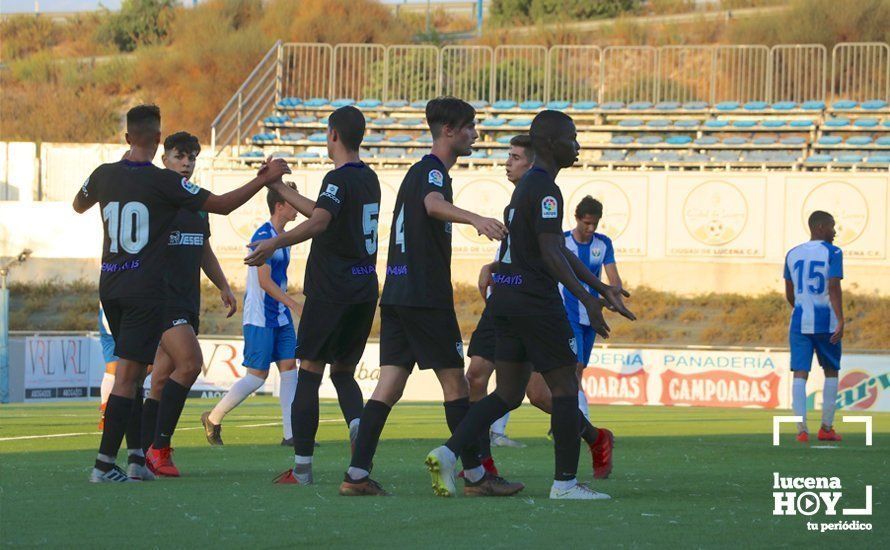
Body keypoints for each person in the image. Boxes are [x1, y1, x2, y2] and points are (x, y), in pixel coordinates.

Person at [74, 104, 291, 483]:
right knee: (130, 378)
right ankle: (105, 465)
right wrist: (264, 179)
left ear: (126, 138)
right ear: (158, 141)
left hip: (111, 286)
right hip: (146, 290)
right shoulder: (163, 183)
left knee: (139, 373)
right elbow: (223, 205)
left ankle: (139, 458)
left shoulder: (103, 174)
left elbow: (79, 204)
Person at [424, 110, 634, 500]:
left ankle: (449, 452)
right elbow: (552, 252)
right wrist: (588, 299)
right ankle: (565, 483)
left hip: (506, 302)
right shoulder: (546, 190)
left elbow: (554, 248)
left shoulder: (526, 189)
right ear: (553, 144)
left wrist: (599, 288)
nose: (577, 144)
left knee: (507, 393)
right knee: (565, 387)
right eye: (572, 136)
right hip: (535, 303)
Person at [339, 97, 516, 497]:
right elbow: (432, 205)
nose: (475, 134)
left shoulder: (421, 171)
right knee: (457, 384)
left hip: (399, 292)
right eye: (470, 126)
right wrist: (475, 219)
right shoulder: (433, 173)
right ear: (449, 131)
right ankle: (476, 476)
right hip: (424, 295)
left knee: (388, 386)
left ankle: (356, 474)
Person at [244, 106, 381, 485]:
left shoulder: (335, 178)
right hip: (364, 288)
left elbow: (320, 220)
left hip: (331, 289)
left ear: (333, 135)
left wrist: (276, 241)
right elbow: (324, 210)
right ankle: (357, 427)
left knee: (309, 373)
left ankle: (302, 469)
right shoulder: (369, 178)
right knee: (344, 373)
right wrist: (278, 187)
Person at [139, 132, 238, 477]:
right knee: (191, 362)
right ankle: (160, 449)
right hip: (160, 299)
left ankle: (141, 452)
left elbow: (203, 249)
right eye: (180, 156)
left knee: (162, 381)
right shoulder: (157, 199)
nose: (186, 163)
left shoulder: (197, 203)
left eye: (192, 158)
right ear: (164, 158)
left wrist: (223, 284)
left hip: (186, 300)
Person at [200, 182, 300, 447]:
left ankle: (291, 435)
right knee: (257, 376)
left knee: (290, 368)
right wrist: (294, 304)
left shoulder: (284, 237)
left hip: (279, 316)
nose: (298, 206)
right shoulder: (263, 235)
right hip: (260, 316)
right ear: (280, 206)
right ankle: (213, 416)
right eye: (293, 201)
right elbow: (265, 282)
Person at [465, 135, 536, 469]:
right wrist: (491, 266)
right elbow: (515, 254)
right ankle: (481, 462)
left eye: (516, 157)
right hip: (501, 302)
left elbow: (547, 254)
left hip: (526, 305)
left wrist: (588, 293)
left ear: (532, 164)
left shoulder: (538, 200)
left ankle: (593, 437)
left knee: (538, 394)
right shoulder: (514, 204)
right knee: (475, 377)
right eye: (508, 155)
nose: (508, 162)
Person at [784, 210, 844, 443]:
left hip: (799, 321)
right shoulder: (833, 252)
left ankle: (801, 431)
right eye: (832, 226)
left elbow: (789, 292)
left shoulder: (792, 253)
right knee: (831, 371)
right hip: (826, 321)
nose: (835, 231)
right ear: (820, 227)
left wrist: (801, 306)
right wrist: (841, 319)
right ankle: (826, 428)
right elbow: (833, 287)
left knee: (800, 373)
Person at [97, 305, 117, 430]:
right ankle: (107, 413)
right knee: (112, 368)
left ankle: (107, 413)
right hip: (117, 309)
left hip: (109, 310)